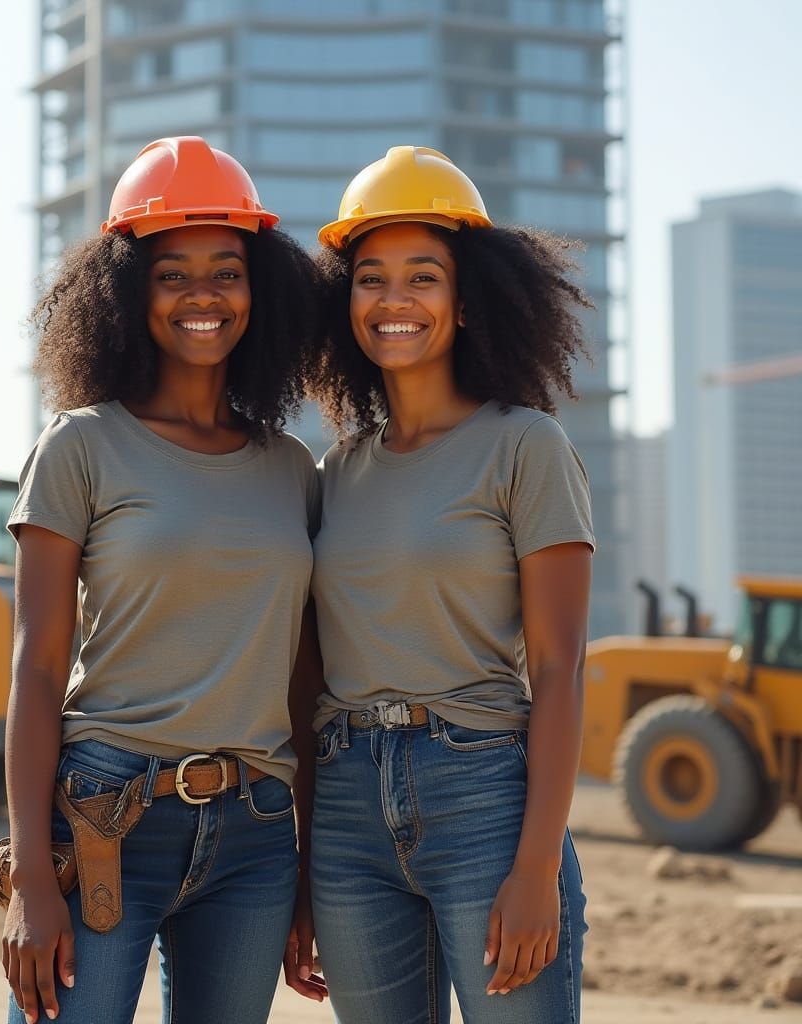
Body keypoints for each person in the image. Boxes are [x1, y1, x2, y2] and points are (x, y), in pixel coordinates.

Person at [0, 137, 324, 1024]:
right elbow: (34, 670)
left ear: (260, 288)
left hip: (256, 832)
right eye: (172, 273)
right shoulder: (80, 446)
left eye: (227, 269)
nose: (203, 295)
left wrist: (304, 876)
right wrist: (32, 875)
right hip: (106, 815)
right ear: (127, 293)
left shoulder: (292, 468)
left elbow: (305, 683)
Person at [306, 145, 595, 1023]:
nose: (393, 301)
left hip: (483, 798)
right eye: (370, 278)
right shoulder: (334, 471)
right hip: (346, 801)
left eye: (421, 277)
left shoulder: (526, 448)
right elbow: (311, 668)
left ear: (466, 301)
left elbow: (561, 670)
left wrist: (537, 866)